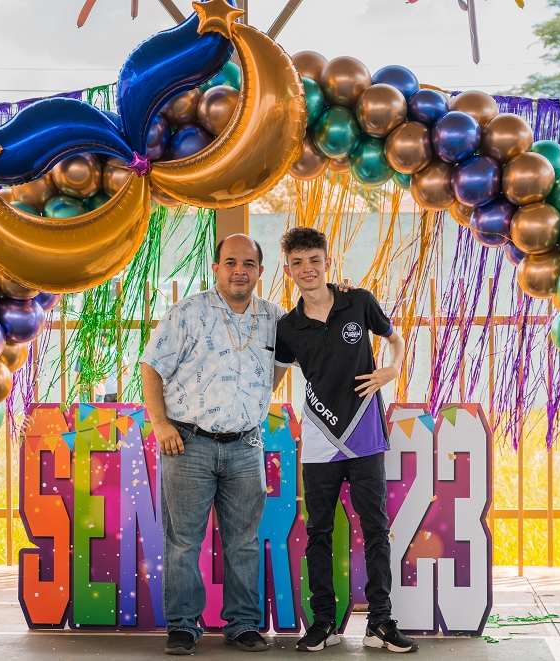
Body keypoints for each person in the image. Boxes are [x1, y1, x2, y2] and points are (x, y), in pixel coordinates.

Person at [272, 227, 417, 654]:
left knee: (376, 528)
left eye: (314, 260)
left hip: (365, 434)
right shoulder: (288, 326)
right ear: (288, 271)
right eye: (298, 263)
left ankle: (380, 623)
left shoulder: (360, 301)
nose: (307, 269)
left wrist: (393, 368)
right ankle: (323, 623)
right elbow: (273, 379)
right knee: (318, 531)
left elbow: (396, 340)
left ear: (327, 262)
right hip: (319, 437)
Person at [141, 234, 282, 655]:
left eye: (249, 263)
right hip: (187, 444)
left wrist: (254, 403)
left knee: (243, 540)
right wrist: (160, 423)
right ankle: (183, 626)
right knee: (184, 540)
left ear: (260, 270)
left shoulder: (275, 318)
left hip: (245, 446)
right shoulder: (187, 312)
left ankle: (242, 625)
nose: (240, 270)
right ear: (216, 268)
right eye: (231, 262)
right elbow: (151, 366)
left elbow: (285, 362)